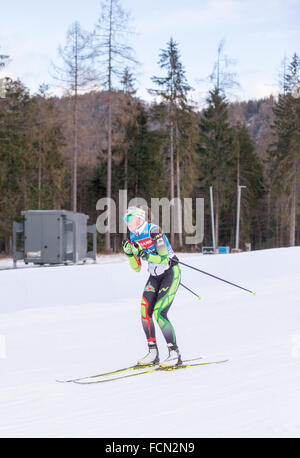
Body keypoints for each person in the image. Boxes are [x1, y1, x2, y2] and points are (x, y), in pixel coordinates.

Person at [122, 206, 182, 367]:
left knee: (159, 312)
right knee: (144, 312)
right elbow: (136, 268)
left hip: (170, 272)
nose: (126, 222)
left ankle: (174, 353)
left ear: (139, 219)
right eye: (124, 219)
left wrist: (143, 253)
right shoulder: (133, 236)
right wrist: (130, 255)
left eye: (128, 218)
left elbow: (163, 259)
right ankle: (153, 352)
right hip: (154, 276)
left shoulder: (154, 231)